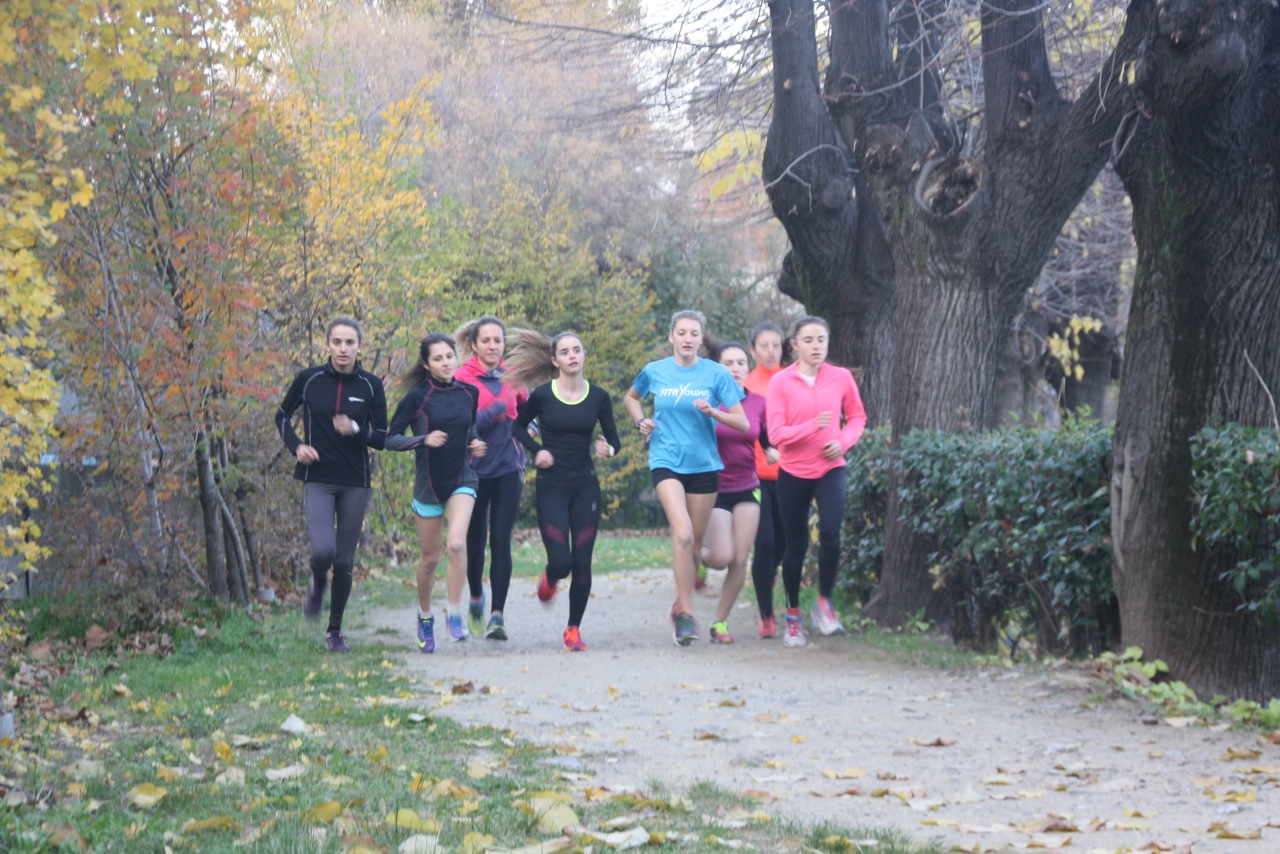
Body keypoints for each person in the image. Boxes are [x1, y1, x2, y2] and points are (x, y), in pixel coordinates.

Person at [624, 309, 748, 646]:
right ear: (672, 337)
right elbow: (631, 397)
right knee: (682, 534)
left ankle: (681, 601)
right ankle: (687, 616)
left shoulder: (716, 374)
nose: (688, 338)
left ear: (700, 339)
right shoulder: (655, 371)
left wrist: (714, 412)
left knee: (694, 543)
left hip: (704, 466)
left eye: (694, 333)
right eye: (682, 332)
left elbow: (743, 423)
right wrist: (640, 422)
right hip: (665, 460)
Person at [276, 318, 388, 654]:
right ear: (327, 345)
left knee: (344, 562)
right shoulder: (309, 380)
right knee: (324, 551)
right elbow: (281, 415)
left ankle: (335, 631)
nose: (343, 349)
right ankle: (316, 585)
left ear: (359, 346)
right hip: (318, 478)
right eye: (337, 342)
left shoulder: (371, 386)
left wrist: (356, 428)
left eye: (349, 342)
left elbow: (381, 438)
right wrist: (297, 446)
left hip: (355, 481)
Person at [507, 331, 622, 651]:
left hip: (585, 486)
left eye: (577, 350)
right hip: (552, 486)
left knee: (582, 561)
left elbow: (615, 441)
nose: (573, 356)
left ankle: (573, 629)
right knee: (561, 561)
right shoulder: (542, 395)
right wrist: (536, 450)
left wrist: (608, 450)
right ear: (555, 360)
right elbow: (517, 427)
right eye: (565, 352)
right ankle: (550, 577)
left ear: (584, 356)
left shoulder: (598, 397)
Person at [767, 316, 867, 647]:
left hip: (830, 467)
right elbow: (778, 434)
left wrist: (843, 441)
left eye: (821, 340)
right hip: (793, 472)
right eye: (808, 340)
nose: (816, 346)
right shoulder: (780, 383)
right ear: (794, 345)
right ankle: (793, 615)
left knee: (831, 532)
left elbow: (857, 417)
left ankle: (824, 604)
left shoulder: (840, 378)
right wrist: (812, 426)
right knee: (795, 547)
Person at [385, 333, 487, 652]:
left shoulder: (469, 392)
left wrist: (476, 442)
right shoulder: (417, 397)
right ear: (427, 364)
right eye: (438, 358)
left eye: (449, 356)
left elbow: (469, 428)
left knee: (456, 544)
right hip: (428, 485)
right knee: (429, 559)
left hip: (462, 478)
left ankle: (454, 613)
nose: (446, 363)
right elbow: (391, 438)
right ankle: (425, 616)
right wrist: (422, 440)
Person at [454, 316, 528, 641]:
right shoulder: (460, 379)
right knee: (474, 542)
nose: (493, 346)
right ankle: (475, 598)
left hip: (509, 467)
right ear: (473, 345)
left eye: (498, 340)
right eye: (486, 340)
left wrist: (531, 430)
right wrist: (486, 418)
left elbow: (529, 414)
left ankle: (497, 615)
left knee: (500, 539)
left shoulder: (515, 377)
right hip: (473, 471)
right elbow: (457, 424)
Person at [698, 342, 769, 643]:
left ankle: (720, 623)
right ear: (718, 369)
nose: (736, 368)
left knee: (740, 559)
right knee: (721, 556)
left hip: (747, 486)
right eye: (729, 363)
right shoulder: (705, 401)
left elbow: (764, 436)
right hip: (714, 488)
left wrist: (772, 450)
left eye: (741, 362)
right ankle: (696, 557)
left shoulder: (758, 403)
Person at [743, 321, 787, 638]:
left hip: (792, 474)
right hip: (754, 475)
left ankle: (767, 573)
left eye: (776, 345)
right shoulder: (744, 383)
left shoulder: (793, 379)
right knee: (765, 542)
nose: (771, 351)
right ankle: (766, 615)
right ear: (753, 350)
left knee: (785, 544)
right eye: (764, 346)